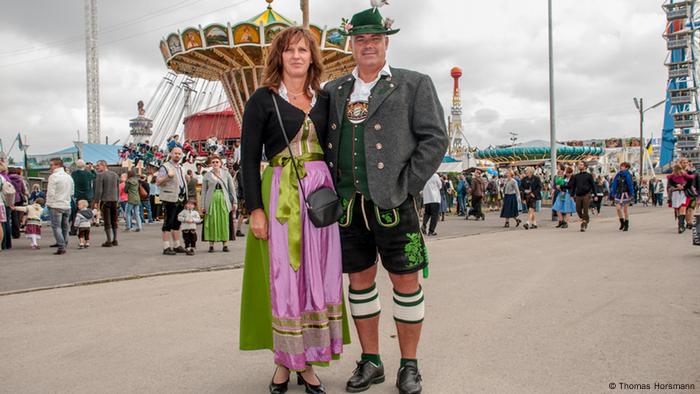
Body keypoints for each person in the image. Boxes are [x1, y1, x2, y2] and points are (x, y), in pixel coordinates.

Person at [324, 8, 448, 393]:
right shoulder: (334, 90)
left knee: (406, 282)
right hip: (349, 206)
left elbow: (435, 139)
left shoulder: (414, 84)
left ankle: (409, 365)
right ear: (352, 45)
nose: (367, 45)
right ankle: (371, 360)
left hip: (396, 203)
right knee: (359, 282)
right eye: (360, 39)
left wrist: (408, 185)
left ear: (386, 43)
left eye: (374, 39)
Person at [240, 26, 349, 394]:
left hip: (321, 198)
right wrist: (255, 209)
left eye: (304, 50)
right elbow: (248, 157)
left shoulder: (326, 99)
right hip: (280, 197)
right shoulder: (262, 99)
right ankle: (285, 364)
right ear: (279, 57)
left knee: (319, 277)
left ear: (312, 57)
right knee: (285, 281)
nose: (297, 56)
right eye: (290, 50)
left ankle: (310, 364)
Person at [200, 155, 237, 252]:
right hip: (211, 200)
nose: (215, 164)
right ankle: (211, 245)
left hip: (224, 200)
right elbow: (203, 191)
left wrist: (234, 202)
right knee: (212, 222)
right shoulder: (207, 175)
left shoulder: (226, 174)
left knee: (224, 221)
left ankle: (225, 244)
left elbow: (231, 189)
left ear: (220, 163)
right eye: (213, 162)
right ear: (211, 164)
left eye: (217, 162)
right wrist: (203, 205)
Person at [156, 147, 188, 255]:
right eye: (175, 153)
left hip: (180, 197)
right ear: (171, 154)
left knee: (177, 222)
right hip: (170, 198)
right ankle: (166, 247)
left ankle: (177, 245)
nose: (177, 155)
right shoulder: (165, 166)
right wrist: (167, 176)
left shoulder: (181, 167)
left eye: (179, 154)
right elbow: (158, 182)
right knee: (168, 222)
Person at [46, 158, 74, 255]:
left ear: (57, 165)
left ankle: (61, 245)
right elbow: (72, 192)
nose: (50, 167)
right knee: (65, 226)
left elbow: (50, 192)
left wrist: (48, 204)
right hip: (67, 204)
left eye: (51, 165)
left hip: (56, 204)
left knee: (56, 226)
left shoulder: (53, 177)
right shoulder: (68, 177)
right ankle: (64, 242)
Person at [93, 160, 121, 247]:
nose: (96, 167)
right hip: (114, 200)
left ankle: (108, 240)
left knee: (107, 220)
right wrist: (117, 199)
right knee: (114, 220)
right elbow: (117, 188)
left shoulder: (100, 175)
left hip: (105, 200)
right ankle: (115, 239)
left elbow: (99, 190)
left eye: (98, 166)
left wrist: (96, 201)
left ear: (103, 165)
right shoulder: (115, 175)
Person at [667, 163, 695, 233]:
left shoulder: (685, 175)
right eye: (676, 172)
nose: (677, 174)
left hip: (684, 194)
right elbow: (671, 183)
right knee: (678, 210)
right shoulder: (671, 176)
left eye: (678, 172)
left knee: (683, 209)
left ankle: (681, 227)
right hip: (675, 194)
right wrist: (677, 185)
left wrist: (683, 187)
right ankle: (681, 224)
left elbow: (690, 182)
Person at [568, 161, 596, 232]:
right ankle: (585, 219)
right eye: (579, 165)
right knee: (578, 210)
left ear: (585, 166)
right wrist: (571, 195)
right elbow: (573, 186)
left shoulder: (589, 175)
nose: (579, 166)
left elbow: (593, 185)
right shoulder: (576, 176)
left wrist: (595, 195)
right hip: (578, 195)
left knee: (585, 210)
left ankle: (583, 224)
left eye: (581, 165)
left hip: (586, 194)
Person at [609, 162, 635, 231]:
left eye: (623, 166)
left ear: (626, 167)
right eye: (621, 166)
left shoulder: (628, 175)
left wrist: (632, 194)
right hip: (618, 194)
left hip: (626, 194)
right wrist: (612, 193)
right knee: (618, 208)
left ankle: (626, 224)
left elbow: (630, 185)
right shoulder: (618, 174)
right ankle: (622, 222)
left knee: (625, 210)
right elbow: (614, 184)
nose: (621, 167)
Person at [0, 163, 13, 250]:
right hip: (3, 202)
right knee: (3, 224)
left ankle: (3, 244)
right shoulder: (5, 178)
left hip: (2, 201)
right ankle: (3, 244)